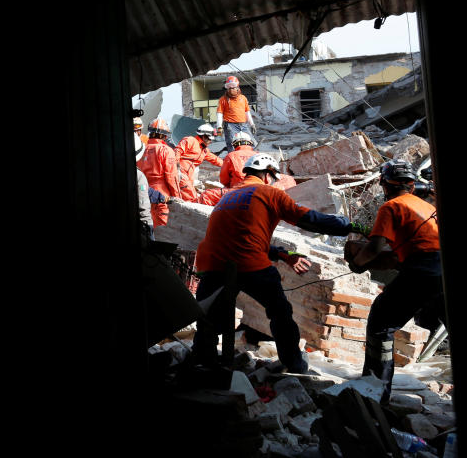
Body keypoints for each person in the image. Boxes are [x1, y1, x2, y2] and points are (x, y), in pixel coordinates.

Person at [192, 153, 369, 373]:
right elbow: (308, 219)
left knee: (208, 320)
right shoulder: (269, 192)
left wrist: (283, 254)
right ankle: (293, 363)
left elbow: (243, 236)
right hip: (247, 262)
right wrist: (349, 226)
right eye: (274, 178)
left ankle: (201, 362)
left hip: (212, 263)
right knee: (280, 311)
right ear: (267, 175)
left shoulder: (228, 197)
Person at [346, 159, 447, 405]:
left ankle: (375, 390)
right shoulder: (425, 205)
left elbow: (375, 246)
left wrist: (359, 264)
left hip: (422, 271)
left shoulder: (391, 207)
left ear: (383, 184)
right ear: (412, 185)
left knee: (381, 321)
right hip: (438, 271)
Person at [136, 118, 180, 227]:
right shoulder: (166, 150)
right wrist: (177, 198)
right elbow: (172, 178)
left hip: (144, 193)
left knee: (147, 226)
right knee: (164, 231)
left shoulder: (142, 149)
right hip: (162, 196)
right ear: (161, 135)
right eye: (165, 135)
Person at [175, 124, 224, 202]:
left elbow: (215, 159)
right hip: (181, 173)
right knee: (191, 198)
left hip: (189, 175)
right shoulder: (190, 140)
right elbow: (177, 152)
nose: (211, 142)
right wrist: (177, 170)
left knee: (189, 196)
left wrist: (228, 164)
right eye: (209, 139)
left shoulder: (204, 150)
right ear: (204, 136)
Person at [135, 133, 170, 241]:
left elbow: (144, 190)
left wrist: (159, 196)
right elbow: (143, 211)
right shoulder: (166, 150)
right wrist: (150, 237)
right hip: (159, 187)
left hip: (151, 187)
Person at [215, 76, 256, 154]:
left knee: (252, 143)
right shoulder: (223, 100)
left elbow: (247, 112)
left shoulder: (243, 98)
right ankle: (233, 158)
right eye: (229, 87)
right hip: (230, 126)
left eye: (233, 87)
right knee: (232, 145)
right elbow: (219, 113)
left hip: (243, 125)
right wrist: (219, 127)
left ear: (237, 87)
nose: (231, 89)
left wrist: (252, 124)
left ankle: (251, 158)